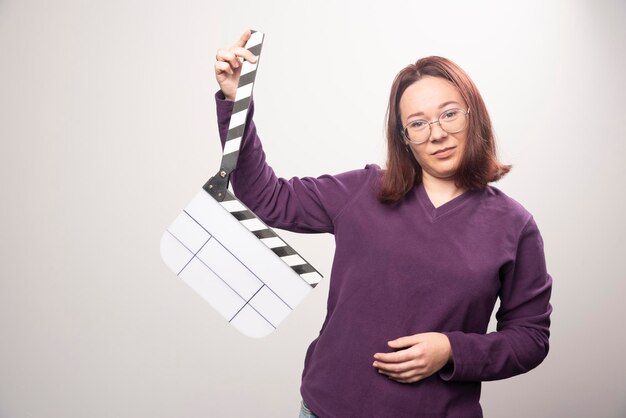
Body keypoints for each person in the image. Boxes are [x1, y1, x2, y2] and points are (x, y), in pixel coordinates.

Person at [214, 30, 553, 418]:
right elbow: (267, 197)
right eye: (418, 123)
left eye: (449, 114)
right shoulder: (364, 191)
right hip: (327, 409)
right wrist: (235, 102)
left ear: (473, 116)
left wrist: (451, 350)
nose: (438, 133)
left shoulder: (514, 226)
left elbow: (530, 338)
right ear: (404, 137)